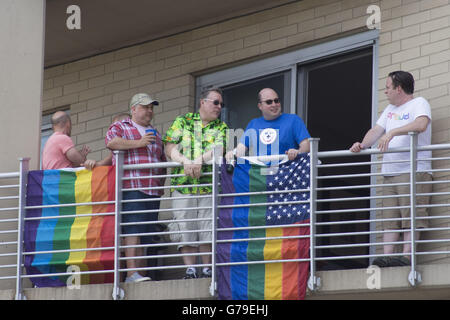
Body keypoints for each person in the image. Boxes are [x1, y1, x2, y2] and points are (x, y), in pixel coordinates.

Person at [350, 71, 432, 267]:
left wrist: (393, 131)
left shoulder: (419, 103)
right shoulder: (389, 109)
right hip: (390, 173)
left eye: (388, 87)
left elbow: (421, 124)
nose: (385, 91)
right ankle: (387, 256)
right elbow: (376, 131)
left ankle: (406, 256)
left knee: (411, 215)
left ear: (399, 88)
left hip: (413, 171)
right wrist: (362, 144)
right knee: (390, 218)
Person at [163, 87, 228, 279]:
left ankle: (207, 269)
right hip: (183, 185)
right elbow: (169, 146)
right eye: (215, 102)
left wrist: (199, 159)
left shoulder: (221, 127)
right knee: (185, 225)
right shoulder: (183, 121)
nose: (219, 107)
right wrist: (185, 161)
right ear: (202, 102)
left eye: (221, 104)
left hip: (208, 185)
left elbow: (220, 148)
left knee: (207, 226)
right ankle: (190, 269)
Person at [105, 93, 166, 283]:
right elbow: (111, 142)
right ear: (133, 109)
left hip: (152, 190)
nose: (150, 111)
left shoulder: (155, 132)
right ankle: (131, 274)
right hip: (131, 187)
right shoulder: (122, 126)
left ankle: (141, 273)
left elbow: (161, 160)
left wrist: (161, 184)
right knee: (132, 229)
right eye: (145, 107)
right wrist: (138, 143)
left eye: (151, 107)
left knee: (146, 232)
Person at [226, 88, 310, 162]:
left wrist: (297, 152)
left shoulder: (293, 120)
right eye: (269, 102)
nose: (274, 104)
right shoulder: (253, 124)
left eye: (276, 100)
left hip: (286, 175)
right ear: (260, 106)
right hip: (261, 176)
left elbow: (307, 146)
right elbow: (241, 149)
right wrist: (232, 153)